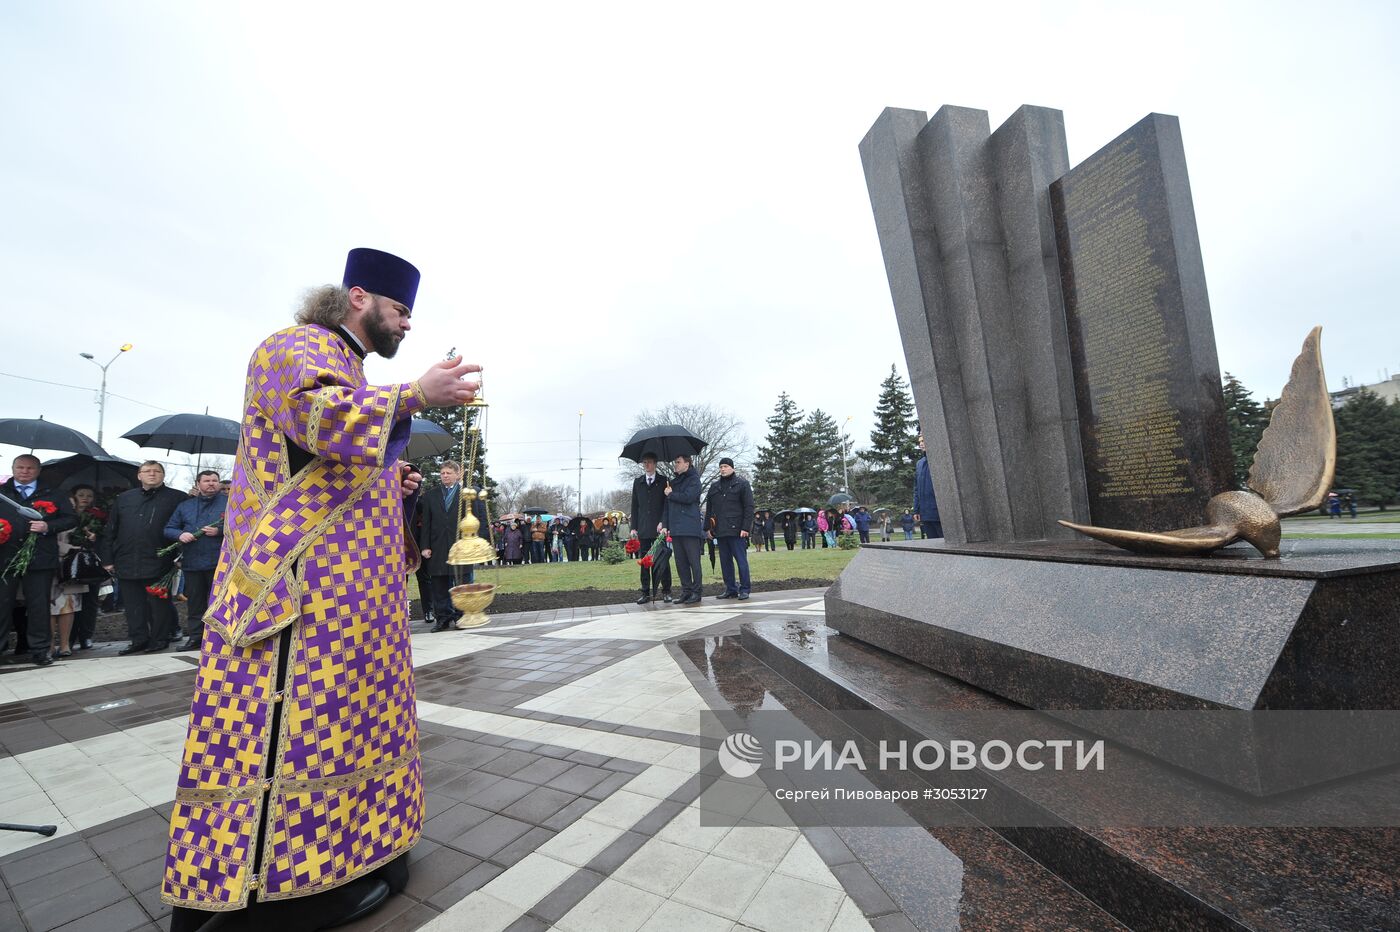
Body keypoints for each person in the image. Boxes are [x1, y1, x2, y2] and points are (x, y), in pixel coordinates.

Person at [162, 247, 480, 932]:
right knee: (292, 731)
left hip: (353, 601)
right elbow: (320, 420)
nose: (407, 325)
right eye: (401, 311)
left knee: (349, 729)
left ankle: (350, 857)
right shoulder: (294, 346)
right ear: (359, 298)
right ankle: (269, 889)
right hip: (296, 594)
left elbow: (338, 459)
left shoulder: (353, 369)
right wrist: (417, 394)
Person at [99, 461, 187, 655]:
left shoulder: (177, 497)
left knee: (158, 604)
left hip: (160, 559)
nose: (152, 474)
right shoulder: (124, 498)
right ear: (139, 476)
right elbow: (111, 530)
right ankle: (138, 639)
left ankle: (159, 639)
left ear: (163, 475)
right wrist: (108, 559)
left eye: (157, 471)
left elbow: (185, 527)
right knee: (133, 605)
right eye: (147, 471)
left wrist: (179, 556)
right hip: (126, 559)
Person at [0, 455, 78, 666]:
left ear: (38, 470)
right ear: (13, 468)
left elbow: (71, 518)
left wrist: (47, 527)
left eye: (30, 468)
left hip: (40, 557)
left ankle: (41, 650)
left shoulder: (54, 493)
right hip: (5, 557)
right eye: (20, 467)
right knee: (2, 603)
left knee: (39, 605)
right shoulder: (2, 493)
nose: (24, 471)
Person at [164, 469, 227, 651]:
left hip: (219, 562)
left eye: (215, 480)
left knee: (219, 602)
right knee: (195, 602)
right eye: (206, 480)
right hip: (193, 562)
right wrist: (181, 534)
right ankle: (196, 637)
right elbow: (169, 528)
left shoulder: (229, 503)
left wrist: (220, 531)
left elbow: (244, 525)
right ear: (198, 483)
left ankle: (219, 638)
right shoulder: (186, 506)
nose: (211, 484)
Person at [418, 461, 465, 632]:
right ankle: (443, 618)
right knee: (438, 584)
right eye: (443, 473)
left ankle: (461, 616)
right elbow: (426, 524)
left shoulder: (466, 495)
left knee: (461, 583)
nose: (445, 476)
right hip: (437, 547)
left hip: (460, 547)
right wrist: (425, 546)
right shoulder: (431, 496)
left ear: (457, 474)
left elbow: (477, 519)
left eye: (448, 473)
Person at [704, 457, 753, 600]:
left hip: (737, 530)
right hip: (720, 530)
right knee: (725, 562)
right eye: (721, 467)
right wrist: (707, 528)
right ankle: (731, 588)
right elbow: (709, 509)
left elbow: (749, 507)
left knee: (741, 561)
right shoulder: (714, 486)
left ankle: (744, 589)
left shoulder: (742, 484)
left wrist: (745, 528)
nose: (723, 469)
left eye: (725, 466)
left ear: (732, 468)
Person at [629, 453, 672, 603]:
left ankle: (666, 591)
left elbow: (667, 504)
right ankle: (645, 592)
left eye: (649, 462)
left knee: (662, 561)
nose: (646, 465)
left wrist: (664, 523)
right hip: (644, 528)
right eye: (644, 463)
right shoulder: (638, 482)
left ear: (655, 464)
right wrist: (634, 527)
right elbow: (635, 506)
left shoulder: (663, 481)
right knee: (645, 561)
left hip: (659, 529)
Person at [661, 453, 703, 604]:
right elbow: (667, 506)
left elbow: (688, 497)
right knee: (681, 562)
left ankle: (697, 592)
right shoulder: (672, 482)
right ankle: (686, 591)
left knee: (693, 561)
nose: (675, 465)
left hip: (690, 527)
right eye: (675, 462)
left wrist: (671, 494)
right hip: (676, 527)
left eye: (678, 462)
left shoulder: (694, 479)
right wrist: (665, 524)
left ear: (687, 463)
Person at [68, 484, 105, 650]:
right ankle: (69, 636)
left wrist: (95, 536)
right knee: (70, 601)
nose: (85, 498)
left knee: (90, 601)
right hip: (68, 561)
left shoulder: (98, 517)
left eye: (89, 495)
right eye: (81, 494)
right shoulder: (65, 513)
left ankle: (86, 636)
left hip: (89, 562)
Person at [914, 434, 943, 539]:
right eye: (919, 442)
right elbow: (916, 489)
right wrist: (916, 510)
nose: (921, 444)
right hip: (925, 514)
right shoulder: (919, 464)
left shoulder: (939, 460)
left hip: (939, 513)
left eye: (923, 441)